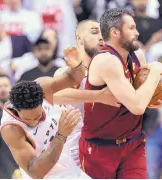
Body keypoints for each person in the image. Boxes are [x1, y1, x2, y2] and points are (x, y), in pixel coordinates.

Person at [76, 8, 162, 179]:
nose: (137, 33)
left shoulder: (138, 55)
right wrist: (156, 71)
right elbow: (137, 105)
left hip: (133, 144)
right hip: (100, 147)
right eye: (131, 28)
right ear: (115, 32)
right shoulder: (105, 60)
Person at [0, 52, 118, 178]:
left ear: (42, 99)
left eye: (38, 117)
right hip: (46, 174)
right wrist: (61, 135)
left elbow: (72, 78)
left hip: (67, 161)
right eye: (27, 119)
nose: (34, 122)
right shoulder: (11, 128)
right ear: (17, 110)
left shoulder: (42, 87)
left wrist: (77, 65)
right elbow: (35, 172)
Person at [53, 19, 106, 167]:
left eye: (104, 33)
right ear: (79, 39)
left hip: (107, 150)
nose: (101, 37)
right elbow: (56, 96)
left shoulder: (112, 71)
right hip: (75, 152)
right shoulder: (64, 72)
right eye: (95, 32)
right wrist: (76, 69)